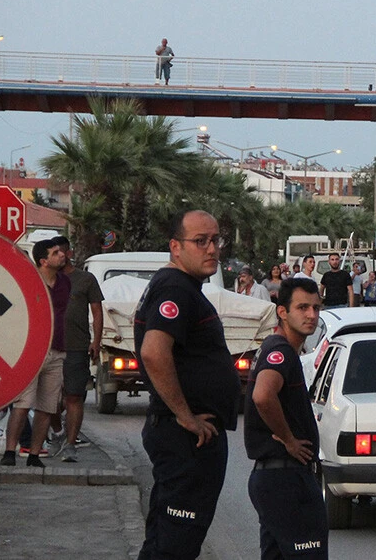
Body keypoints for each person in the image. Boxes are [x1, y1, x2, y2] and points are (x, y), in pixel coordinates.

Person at [135, 211, 241, 559]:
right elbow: (153, 352)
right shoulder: (175, 288)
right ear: (175, 247)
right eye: (200, 241)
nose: (212, 248)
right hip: (185, 438)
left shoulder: (183, 288)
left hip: (187, 438)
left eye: (216, 240)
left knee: (167, 539)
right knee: (175, 544)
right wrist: (184, 415)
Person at [244, 278, 327, 559]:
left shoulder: (279, 348)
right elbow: (262, 396)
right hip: (286, 479)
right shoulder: (280, 351)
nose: (311, 315)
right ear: (282, 312)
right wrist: (290, 440)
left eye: (316, 308)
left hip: (274, 479)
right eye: (302, 307)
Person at [1, 240, 71, 468]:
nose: (62, 255)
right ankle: (10, 451)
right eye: (56, 253)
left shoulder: (65, 283)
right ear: (43, 261)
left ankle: (34, 454)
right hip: (31, 350)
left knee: (48, 406)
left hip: (58, 349)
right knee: (23, 403)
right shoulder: (30, 281)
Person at [50, 235, 102, 463]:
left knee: (74, 397)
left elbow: (97, 311)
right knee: (49, 400)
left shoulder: (85, 279)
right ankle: (58, 433)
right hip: (49, 347)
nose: (59, 257)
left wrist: (96, 342)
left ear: (69, 253)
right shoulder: (45, 278)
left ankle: (70, 444)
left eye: (61, 252)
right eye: (54, 253)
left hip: (76, 347)